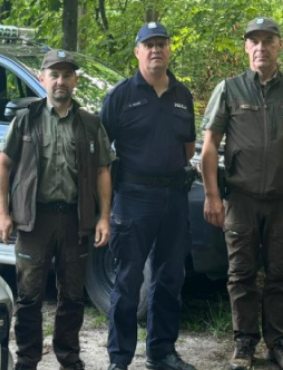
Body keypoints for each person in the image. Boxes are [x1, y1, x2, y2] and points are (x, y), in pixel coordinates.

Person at [200, 17, 283, 370]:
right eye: (254, 41)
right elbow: (209, 146)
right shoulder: (229, 89)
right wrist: (212, 195)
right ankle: (244, 342)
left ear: (280, 45)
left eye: (268, 40)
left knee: (279, 273)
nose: (261, 47)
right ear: (245, 47)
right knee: (240, 273)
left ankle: (279, 343)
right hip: (241, 197)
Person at [0, 49, 114, 370]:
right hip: (35, 220)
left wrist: (103, 217)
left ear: (75, 80)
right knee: (30, 296)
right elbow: (3, 166)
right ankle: (28, 359)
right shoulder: (26, 120)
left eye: (67, 75)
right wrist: (3, 213)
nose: (60, 81)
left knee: (73, 295)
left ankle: (69, 358)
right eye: (54, 74)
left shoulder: (89, 124)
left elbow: (103, 170)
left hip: (76, 219)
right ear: (43, 78)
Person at [101, 22, 197, 370]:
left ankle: (161, 353)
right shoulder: (120, 96)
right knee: (127, 281)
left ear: (170, 50)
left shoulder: (183, 96)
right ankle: (120, 358)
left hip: (173, 198)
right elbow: (101, 153)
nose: (156, 50)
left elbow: (188, 148)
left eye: (162, 44)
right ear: (137, 52)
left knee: (170, 278)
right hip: (133, 197)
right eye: (149, 44)